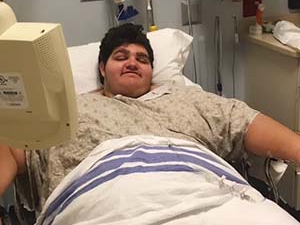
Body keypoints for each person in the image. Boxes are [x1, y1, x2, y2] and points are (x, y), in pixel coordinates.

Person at [1, 23, 300, 224]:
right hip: (105, 203)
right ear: (102, 68)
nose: (133, 62)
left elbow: (244, 121)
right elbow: (14, 148)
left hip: (215, 197)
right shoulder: (66, 109)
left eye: (142, 59)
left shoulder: (185, 99)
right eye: (121, 57)